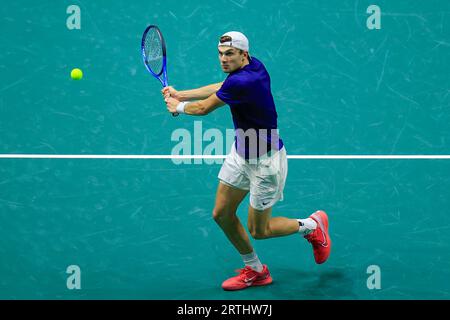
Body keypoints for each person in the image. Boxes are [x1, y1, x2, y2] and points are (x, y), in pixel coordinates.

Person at [162, 31, 331, 291]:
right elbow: (221, 87)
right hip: (241, 153)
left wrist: (179, 107)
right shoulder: (254, 66)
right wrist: (181, 94)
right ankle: (255, 270)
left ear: (243, 54)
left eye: (229, 54)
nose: (223, 59)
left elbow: (206, 107)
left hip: (265, 164)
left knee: (259, 230)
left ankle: (311, 226)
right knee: (222, 214)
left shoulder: (244, 82)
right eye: (220, 54)